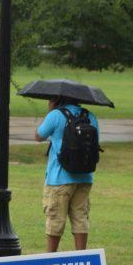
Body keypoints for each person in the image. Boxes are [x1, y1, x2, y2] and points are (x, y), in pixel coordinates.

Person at [36, 97, 100, 252]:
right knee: (80, 218)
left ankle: (50, 258)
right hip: (85, 177)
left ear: (58, 98)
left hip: (59, 178)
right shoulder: (90, 116)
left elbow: (38, 136)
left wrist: (51, 111)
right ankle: (81, 257)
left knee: (55, 219)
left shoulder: (56, 115)